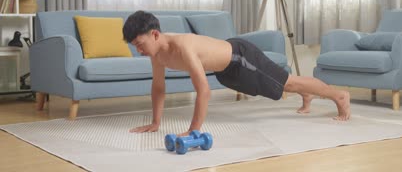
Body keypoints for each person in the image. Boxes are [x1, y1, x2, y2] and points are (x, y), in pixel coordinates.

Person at [123, 11, 350, 136]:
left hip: (240, 58)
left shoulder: (183, 46)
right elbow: (159, 87)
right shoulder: (156, 55)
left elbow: (203, 91)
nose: (139, 51)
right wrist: (155, 122)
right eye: (135, 46)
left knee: (287, 83)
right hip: (225, 71)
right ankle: (306, 93)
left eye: (140, 44)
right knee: (277, 88)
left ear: (154, 34)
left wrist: (194, 131)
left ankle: (338, 96)